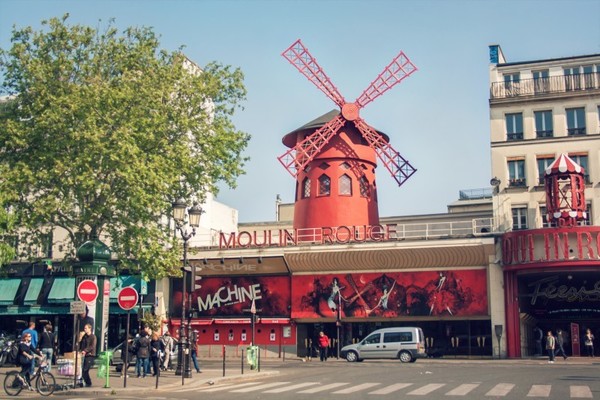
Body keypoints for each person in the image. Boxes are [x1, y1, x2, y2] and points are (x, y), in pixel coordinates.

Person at [78, 323, 97, 388]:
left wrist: (85, 350)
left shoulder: (93, 337)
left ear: (90, 329)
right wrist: (80, 338)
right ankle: (86, 382)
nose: (84, 329)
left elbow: (92, 346)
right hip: (84, 355)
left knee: (85, 370)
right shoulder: (84, 336)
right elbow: (81, 345)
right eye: (84, 328)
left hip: (90, 355)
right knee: (83, 370)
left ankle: (88, 382)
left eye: (86, 328)